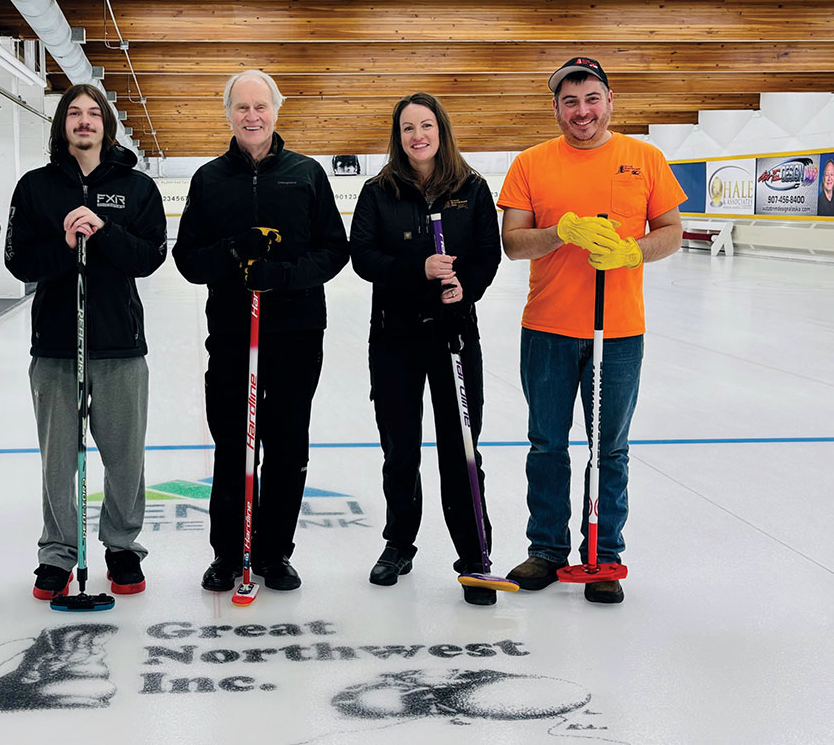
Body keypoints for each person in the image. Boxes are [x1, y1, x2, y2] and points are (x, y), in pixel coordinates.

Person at [497, 57, 685, 604]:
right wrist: (560, 232)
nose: (582, 111)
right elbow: (513, 243)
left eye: (592, 99)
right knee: (547, 445)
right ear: (556, 108)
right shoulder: (530, 163)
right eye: (570, 101)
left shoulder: (644, 158)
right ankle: (547, 550)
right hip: (547, 329)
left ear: (609, 101)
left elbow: (671, 231)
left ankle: (603, 556)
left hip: (619, 333)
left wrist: (632, 251)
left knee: (610, 449)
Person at [173, 69, 349, 592]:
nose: (252, 116)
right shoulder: (209, 179)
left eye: (261, 106)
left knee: (288, 444)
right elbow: (187, 259)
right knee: (233, 443)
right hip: (232, 334)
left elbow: (334, 250)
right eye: (242, 107)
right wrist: (233, 251)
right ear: (229, 113)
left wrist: (285, 276)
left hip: (297, 333)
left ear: (276, 109)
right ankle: (228, 553)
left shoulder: (307, 174)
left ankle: (273, 553)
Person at [5, 84, 166, 600]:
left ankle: (121, 546)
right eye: (73, 113)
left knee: (124, 456)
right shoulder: (35, 187)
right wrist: (65, 243)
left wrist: (104, 231)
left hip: (120, 343)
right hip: (56, 344)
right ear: (62, 125)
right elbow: (18, 261)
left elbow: (150, 257)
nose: (84, 121)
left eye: (94, 113)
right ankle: (58, 551)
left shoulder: (137, 188)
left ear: (106, 125)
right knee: (58, 458)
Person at [349, 93, 501, 605]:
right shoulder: (379, 190)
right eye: (408, 127)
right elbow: (363, 256)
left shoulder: (471, 188)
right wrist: (419, 267)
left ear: (442, 130)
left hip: (453, 336)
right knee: (400, 448)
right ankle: (399, 543)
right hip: (395, 337)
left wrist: (467, 286)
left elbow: (487, 253)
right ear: (398, 136)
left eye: (427, 125)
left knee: (462, 448)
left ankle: (475, 555)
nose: (418, 135)